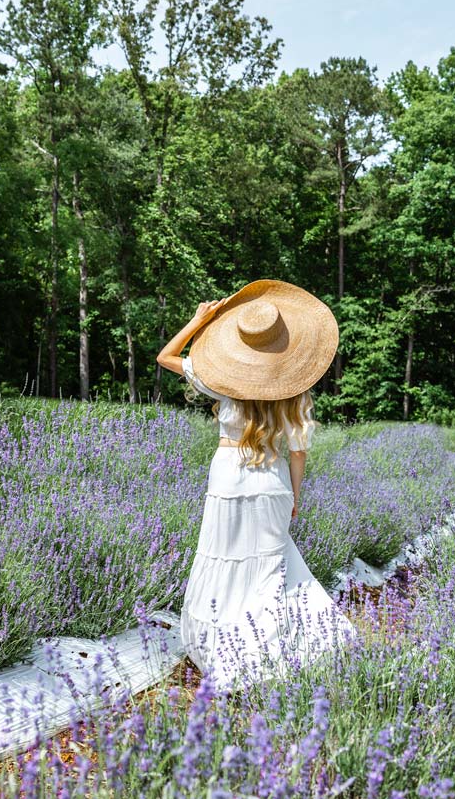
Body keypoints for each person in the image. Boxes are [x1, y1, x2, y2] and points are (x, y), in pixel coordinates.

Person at [156, 279, 356, 690]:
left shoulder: (221, 381)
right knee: (270, 563)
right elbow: (298, 452)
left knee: (223, 554)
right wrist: (295, 497)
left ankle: (222, 644)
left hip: (228, 474)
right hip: (273, 479)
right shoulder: (295, 392)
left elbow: (166, 356)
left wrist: (198, 321)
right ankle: (271, 644)